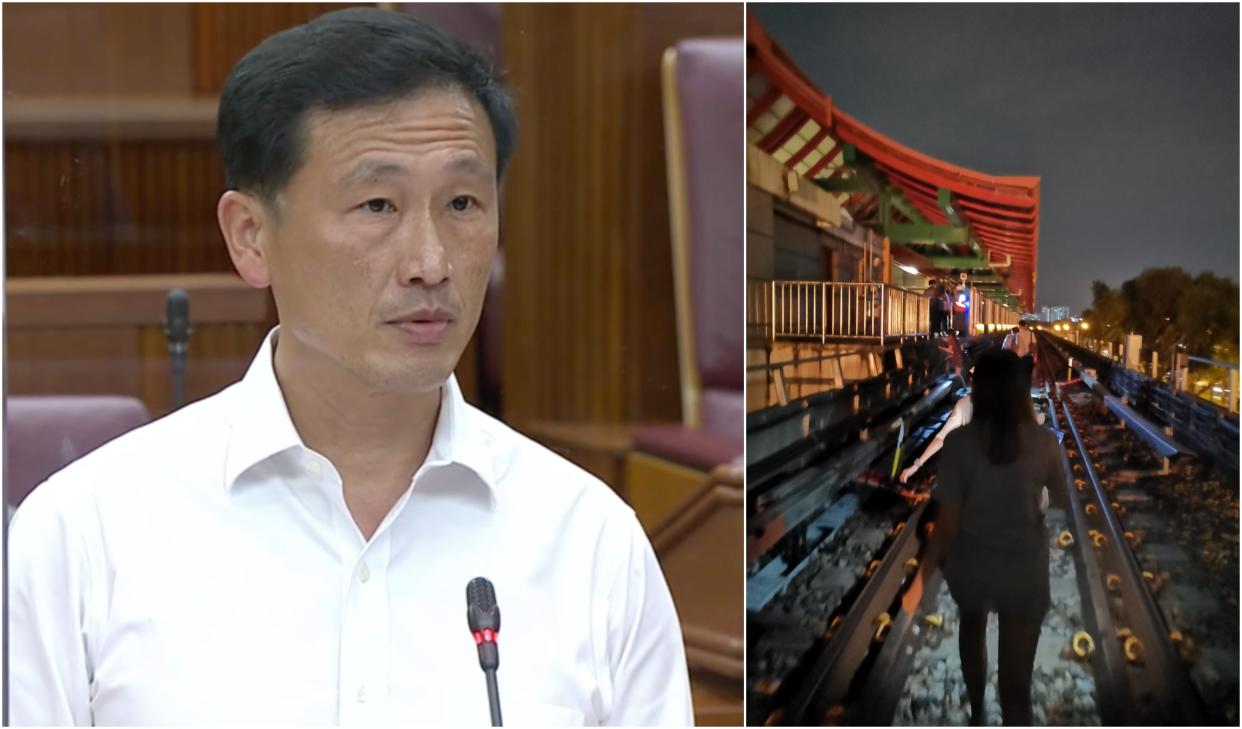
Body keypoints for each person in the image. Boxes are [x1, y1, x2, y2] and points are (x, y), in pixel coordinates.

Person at [8, 9, 692, 726]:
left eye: (462, 202)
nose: (431, 262)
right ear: (250, 236)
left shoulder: (591, 545)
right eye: (376, 204)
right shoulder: (85, 536)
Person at [902, 350, 1060, 726]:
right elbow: (1060, 501)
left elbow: (946, 524)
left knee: (971, 626)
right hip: (1024, 570)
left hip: (974, 566)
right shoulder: (1044, 441)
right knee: (1016, 686)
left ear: (979, 390)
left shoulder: (959, 445)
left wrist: (919, 583)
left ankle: (976, 711)